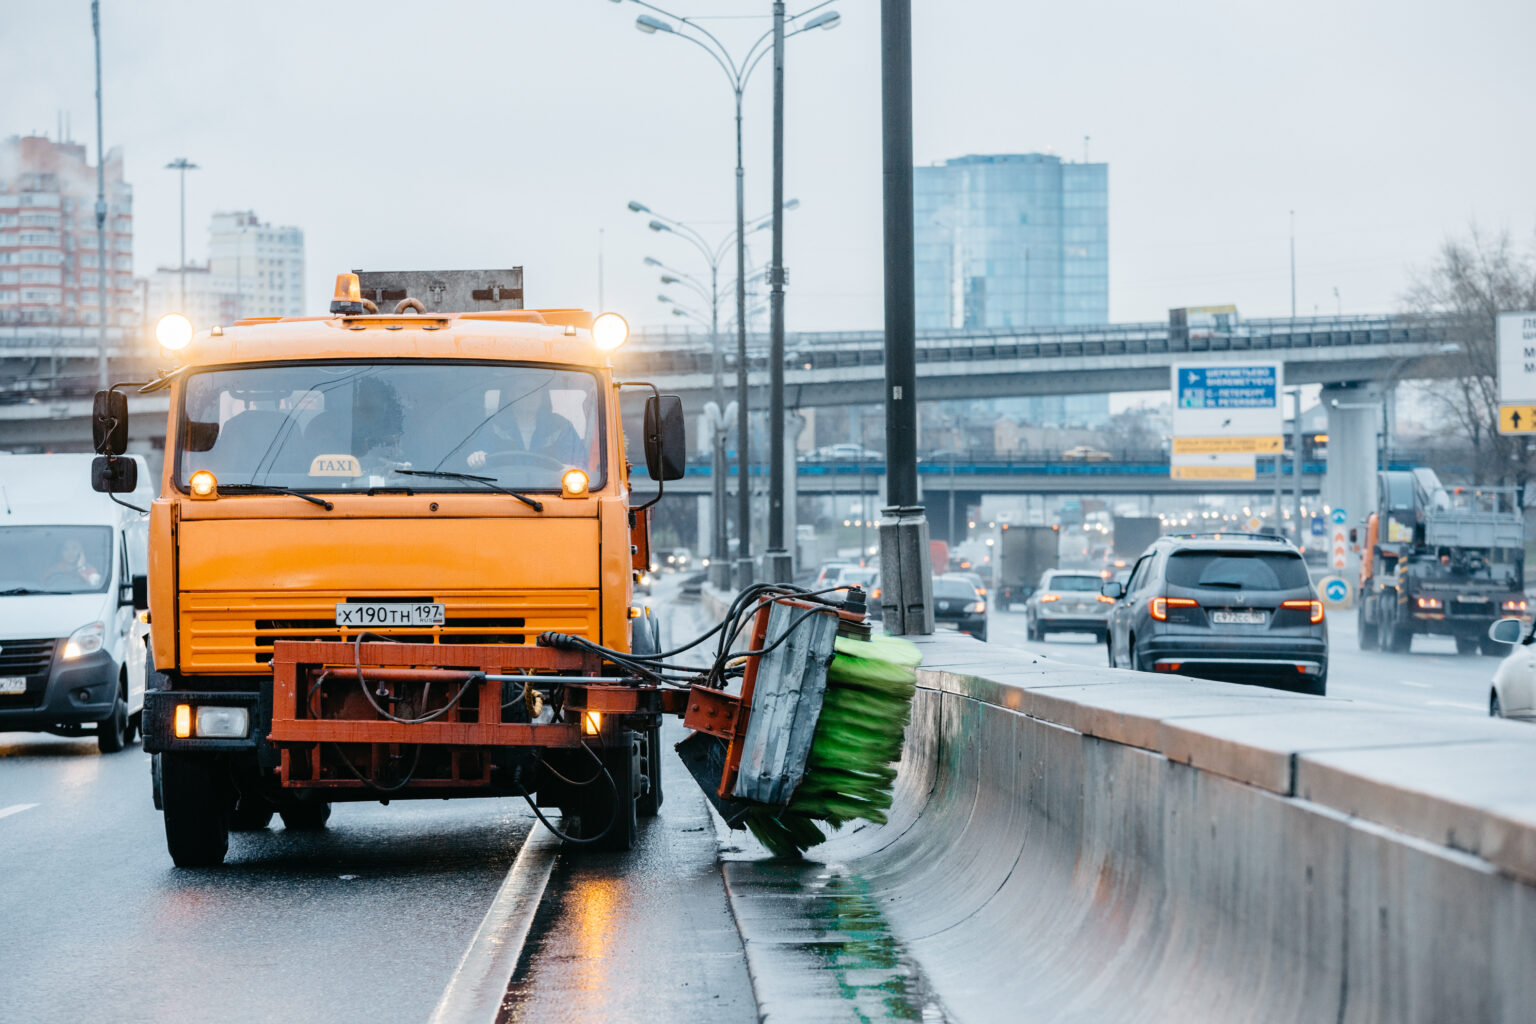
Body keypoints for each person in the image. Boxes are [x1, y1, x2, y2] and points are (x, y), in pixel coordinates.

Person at [466, 391, 587, 471]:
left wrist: (572, 469)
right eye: (522, 390)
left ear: (542, 397)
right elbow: (478, 458)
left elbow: (579, 464)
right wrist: (476, 459)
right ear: (510, 395)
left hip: (553, 492)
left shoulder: (560, 426)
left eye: (535, 391)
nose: (529, 395)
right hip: (499, 493)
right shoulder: (492, 426)